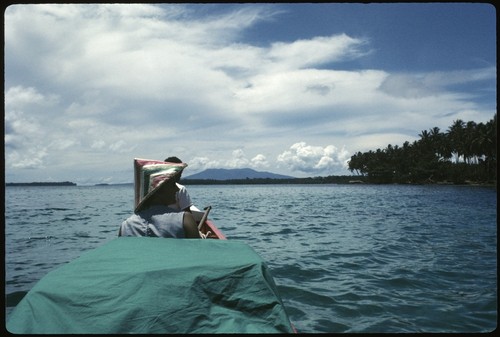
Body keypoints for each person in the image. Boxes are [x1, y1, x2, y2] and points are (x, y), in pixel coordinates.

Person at [119, 160, 201, 238]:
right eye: (172, 185)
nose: (177, 189)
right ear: (158, 191)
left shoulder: (126, 225)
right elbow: (197, 250)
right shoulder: (185, 219)